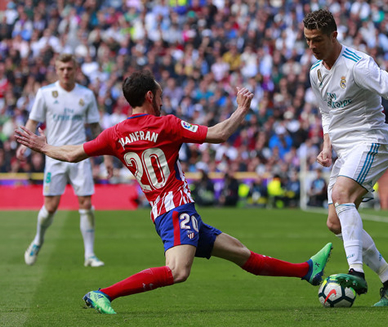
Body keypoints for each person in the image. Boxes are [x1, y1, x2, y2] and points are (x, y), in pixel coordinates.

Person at [16, 70, 333, 314]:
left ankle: (307, 271)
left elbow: (72, 153)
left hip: (163, 211)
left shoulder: (115, 134)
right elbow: (218, 134)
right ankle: (104, 293)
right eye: (161, 93)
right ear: (151, 95)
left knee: (241, 254)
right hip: (176, 210)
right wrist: (241, 110)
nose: (164, 97)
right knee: (177, 271)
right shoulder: (165, 125)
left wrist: (43, 146)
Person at [303, 9, 388, 306]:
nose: (312, 47)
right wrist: (327, 145)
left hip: (371, 141)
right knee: (335, 223)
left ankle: (355, 271)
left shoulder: (359, 66)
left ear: (334, 36)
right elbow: (327, 113)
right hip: (344, 151)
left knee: (342, 194)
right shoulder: (315, 72)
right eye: (307, 40)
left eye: (317, 40)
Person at [16, 53, 113, 267]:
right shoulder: (46, 94)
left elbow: (96, 129)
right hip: (54, 155)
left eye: (69, 68)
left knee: (86, 202)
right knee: (50, 207)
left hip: (80, 154)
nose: (66, 72)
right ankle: (38, 240)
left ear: (76, 69)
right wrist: (24, 144)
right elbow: (32, 122)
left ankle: (89, 255)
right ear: (56, 69)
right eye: (61, 69)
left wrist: (107, 156)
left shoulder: (86, 95)